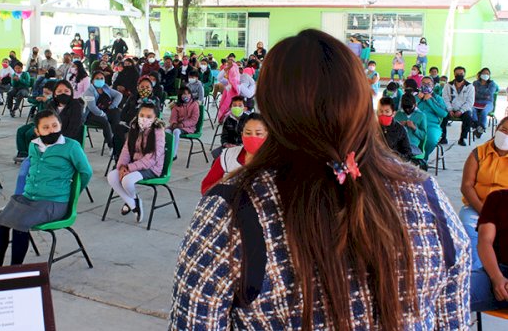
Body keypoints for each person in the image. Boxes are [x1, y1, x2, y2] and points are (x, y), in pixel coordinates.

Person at [169, 29, 470, 330]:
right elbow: (453, 321)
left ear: (271, 108)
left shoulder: (231, 210)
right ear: (361, 100)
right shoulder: (427, 196)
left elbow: (194, 320)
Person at [0, 109, 93, 267]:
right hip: (28, 197)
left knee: (20, 225)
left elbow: (86, 172)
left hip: (54, 202)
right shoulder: (33, 145)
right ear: (37, 131)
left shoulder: (71, 146)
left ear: (60, 125)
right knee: (0, 222)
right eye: (46, 127)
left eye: (54, 125)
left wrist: (73, 196)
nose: (51, 130)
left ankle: (14, 271)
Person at [460, 117, 508, 272]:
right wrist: (484, 212)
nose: (506, 135)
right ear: (496, 129)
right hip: (476, 207)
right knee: (471, 235)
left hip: (504, 211)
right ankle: (477, 272)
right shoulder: (478, 153)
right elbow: (466, 186)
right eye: (504, 130)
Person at [107, 102, 165, 223]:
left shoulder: (158, 132)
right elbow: (126, 150)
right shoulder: (134, 128)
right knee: (112, 176)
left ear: (155, 119)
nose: (144, 119)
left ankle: (131, 202)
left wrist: (129, 167)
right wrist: (122, 166)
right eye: (142, 115)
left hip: (151, 168)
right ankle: (133, 202)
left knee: (127, 181)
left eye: (149, 117)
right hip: (133, 165)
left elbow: (151, 159)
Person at [201, 113, 267, 195]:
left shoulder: (275, 162)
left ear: (267, 136)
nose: (252, 137)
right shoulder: (227, 156)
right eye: (248, 133)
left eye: (258, 134)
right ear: (242, 134)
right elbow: (207, 188)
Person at [471, 177, 508, 311]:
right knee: (450, 292)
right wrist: (497, 278)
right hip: (497, 273)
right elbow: (484, 242)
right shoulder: (497, 199)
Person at [84, 71, 122, 150]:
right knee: (105, 121)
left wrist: (112, 106)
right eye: (97, 78)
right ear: (92, 80)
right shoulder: (89, 91)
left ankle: (116, 140)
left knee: (116, 113)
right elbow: (92, 107)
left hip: (104, 111)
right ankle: (111, 146)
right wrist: (103, 114)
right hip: (91, 114)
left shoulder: (105, 88)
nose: (99, 80)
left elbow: (119, 95)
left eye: (102, 78)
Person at [415, 76, 448, 160]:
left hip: (431, 126)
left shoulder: (437, 98)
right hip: (415, 125)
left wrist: (430, 100)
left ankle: (423, 159)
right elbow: (407, 109)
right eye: (423, 84)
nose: (426, 86)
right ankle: (412, 159)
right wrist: (417, 99)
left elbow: (443, 113)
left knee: (431, 140)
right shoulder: (415, 97)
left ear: (433, 86)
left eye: (428, 84)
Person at [441, 66, 475, 146]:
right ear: (454, 74)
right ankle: (443, 137)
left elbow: (470, 102)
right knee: (442, 116)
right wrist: (449, 109)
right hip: (450, 109)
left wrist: (461, 111)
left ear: (464, 74)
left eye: (461, 74)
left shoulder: (470, 86)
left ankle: (462, 138)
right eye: (457, 74)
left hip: (464, 110)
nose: (459, 75)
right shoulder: (448, 85)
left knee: (468, 118)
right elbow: (445, 99)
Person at [167, 87, 199, 161]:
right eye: (184, 94)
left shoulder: (195, 104)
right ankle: (166, 152)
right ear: (180, 95)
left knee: (176, 131)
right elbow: (173, 118)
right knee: (167, 132)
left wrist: (183, 124)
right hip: (176, 125)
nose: (186, 95)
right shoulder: (176, 105)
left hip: (188, 127)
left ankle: (173, 154)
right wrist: (174, 123)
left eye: (188, 94)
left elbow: (194, 120)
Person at [378, 96, 412, 161]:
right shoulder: (372, 128)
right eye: (381, 111)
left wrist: (395, 156)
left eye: (387, 111)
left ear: (393, 113)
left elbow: (408, 154)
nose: (383, 114)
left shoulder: (400, 130)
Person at [394, 93, 427, 158]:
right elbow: (392, 133)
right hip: (398, 145)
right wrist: (398, 127)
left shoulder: (421, 115)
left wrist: (414, 128)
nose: (407, 110)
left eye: (409, 108)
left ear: (415, 105)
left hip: (412, 145)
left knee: (405, 153)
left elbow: (423, 136)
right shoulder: (398, 115)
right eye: (405, 108)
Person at [471, 67, 499, 138]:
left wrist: (479, 92)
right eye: (484, 73)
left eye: (487, 74)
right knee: (472, 110)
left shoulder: (492, 84)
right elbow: (473, 93)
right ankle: (477, 126)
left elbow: (490, 93)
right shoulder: (475, 83)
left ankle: (481, 128)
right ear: (480, 74)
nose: (486, 75)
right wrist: (484, 93)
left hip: (488, 103)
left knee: (484, 112)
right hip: (476, 102)